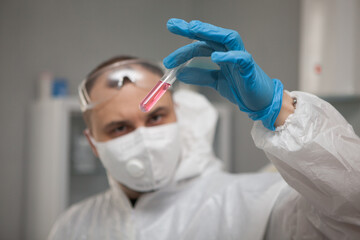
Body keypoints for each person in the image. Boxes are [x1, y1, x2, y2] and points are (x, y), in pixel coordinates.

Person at [48, 19, 360, 239]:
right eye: (119, 127)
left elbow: (350, 216)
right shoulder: (73, 226)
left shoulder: (250, 204)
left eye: (155, 117)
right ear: (92, 143)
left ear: (177, 115)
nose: (143, 137)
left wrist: (279, 109)